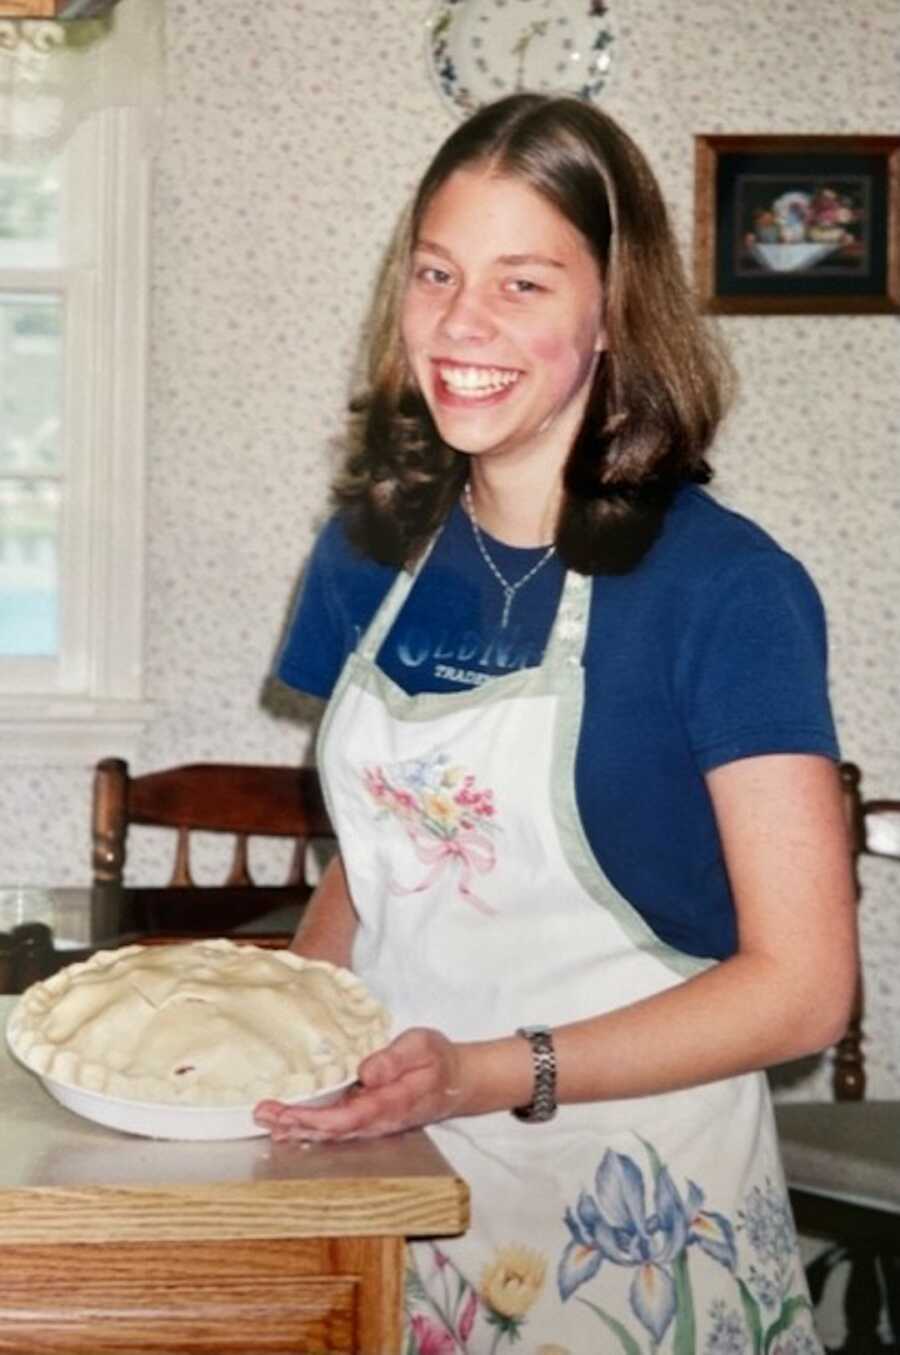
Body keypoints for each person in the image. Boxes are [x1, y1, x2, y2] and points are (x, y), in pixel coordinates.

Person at [256, 93, 857, 1355]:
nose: (460, 325)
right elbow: (373, 870)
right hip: (397, 1188)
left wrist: (489, 1067)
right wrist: (271, 1042)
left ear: (611, 312)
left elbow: (803, 991)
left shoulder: (726, 590)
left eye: (522, 282)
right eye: (437, 272)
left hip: (638, 1221)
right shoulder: (368, 550)